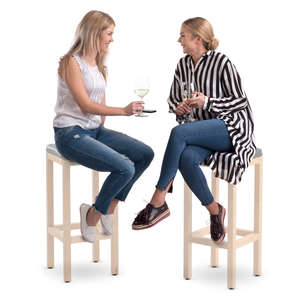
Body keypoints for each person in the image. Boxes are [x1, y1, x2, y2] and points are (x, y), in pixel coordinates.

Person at [132, 17, 256, 244]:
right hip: (198, 131)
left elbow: (240, 101)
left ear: (198, 38)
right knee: (186, 158)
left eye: (183, 35)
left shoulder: (222, 62)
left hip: (230, 128)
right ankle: (214, 210)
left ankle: (158, 200)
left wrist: (207, 102)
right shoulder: (182, 65)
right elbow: (173, 101)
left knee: (178, 133)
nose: (179, 40)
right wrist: (179, 107)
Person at [53, 10, 154, 243]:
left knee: (144, 154)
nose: (112, 38)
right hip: (69, 134)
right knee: (125, 168)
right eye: (109, 33)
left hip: (94, 131)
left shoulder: (99, 65)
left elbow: (100, 106)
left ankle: (109, 206)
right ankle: (92, 215)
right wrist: (124, 111)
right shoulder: (71, 62)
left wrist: (104, 127)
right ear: (94, 33)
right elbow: (86, 105)